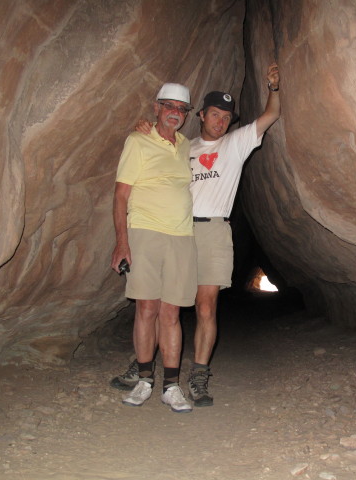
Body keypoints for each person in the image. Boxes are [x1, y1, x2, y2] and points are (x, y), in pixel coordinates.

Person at [111, 63, 281, 407]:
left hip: (214, 230)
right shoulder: (181, 147)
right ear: (200, 115)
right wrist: (141, 127)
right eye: (214, 114)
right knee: (158, 304)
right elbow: (149, 156)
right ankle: (146, 365)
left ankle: (197, 374)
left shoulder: (235, 143)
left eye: (226, 117)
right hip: (180, 230)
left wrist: (274, 89)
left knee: (203, 307)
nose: (220, 121)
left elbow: (270, 115)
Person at [110, 82, 197, 413]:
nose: (175, 113)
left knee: (171, 312)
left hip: (181, 237)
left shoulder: (187, 145)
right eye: (169, 106)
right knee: (147, 308)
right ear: (157, 108)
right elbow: (120, 194)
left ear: (186, 115)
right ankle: (145, 379)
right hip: (145, 233)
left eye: (181, 108)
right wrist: (121, 241)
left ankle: (171, 386)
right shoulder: (137, 141)